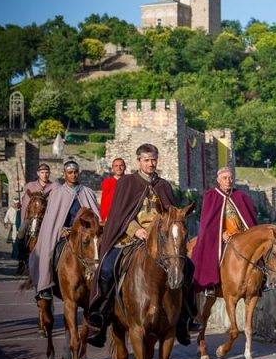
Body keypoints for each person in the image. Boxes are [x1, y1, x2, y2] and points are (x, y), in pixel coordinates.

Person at [86, 144, 195, 348]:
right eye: (146, 160)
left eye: (153, 159)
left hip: (161, 241)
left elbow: (172, 216)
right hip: (131, 238)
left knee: (188, 266)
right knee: (107, 269)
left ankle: (185, 317)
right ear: (139, 161)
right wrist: (137, 230)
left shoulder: (164, 186)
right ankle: (101, 316)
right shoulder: (127, 183)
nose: (150, 163)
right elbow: (120, 215)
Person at [28, 161, 99, 300]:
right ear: (64, 174)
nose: (73, 175)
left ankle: (103, 285)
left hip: (85, 234)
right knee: (48, 251)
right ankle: (46, 285)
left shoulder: (87, 192)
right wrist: (60, 230)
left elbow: (95, 215)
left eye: (75, 172)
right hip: (63, 233)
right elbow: (52, 219)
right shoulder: (57, 193)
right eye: (70, 172)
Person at [190, 167, 258, 295]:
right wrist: (221, 233)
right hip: (223, 237)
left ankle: (262, 281)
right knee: (212, 250)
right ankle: (211, 284)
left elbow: (251, 217)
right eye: (225, 178)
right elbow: (207, 224)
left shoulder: (240, 196)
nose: (228, 181)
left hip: (241, 235)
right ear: (218, 180)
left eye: (231, 178)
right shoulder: (211, 197)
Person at [99, 158, 126, 223]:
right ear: (112, 168)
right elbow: (105, 201)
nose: (119, 168)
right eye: (116, 166)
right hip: (110, 217)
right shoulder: (107, 182)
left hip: (125, 215)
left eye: (121, 165)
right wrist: (104, 216)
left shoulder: (129, 181)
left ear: (125, 167)